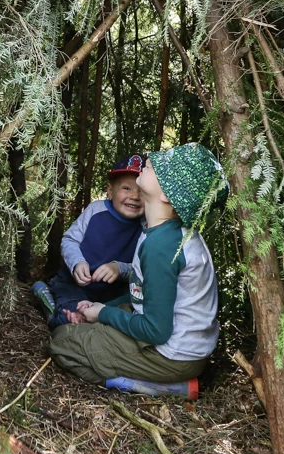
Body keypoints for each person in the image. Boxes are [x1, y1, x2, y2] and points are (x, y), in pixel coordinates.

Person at [49, 142, 228, 386]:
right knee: (89, 321)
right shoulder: (158, 230)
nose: (147, 164)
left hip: (172, 355)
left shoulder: (162, 246)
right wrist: (102, 307)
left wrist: (102, 313)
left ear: (167, 194)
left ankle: (163, 388)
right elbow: (143, 297)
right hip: (174, 341)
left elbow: (156, 331)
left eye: (154, 168)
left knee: (61, 342)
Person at [32, 155, 146, 328]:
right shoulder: (96, 211)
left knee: (125, 311)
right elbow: (70, 240)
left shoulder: (147, 225)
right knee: (69, 317)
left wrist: (119, 268)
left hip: (113, 293)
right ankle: (51, 308)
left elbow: (144, 269)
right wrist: (77, 263)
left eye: (142, 190)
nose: (135, 196)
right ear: (110, 190)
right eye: (126, 188)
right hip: (76, 285)